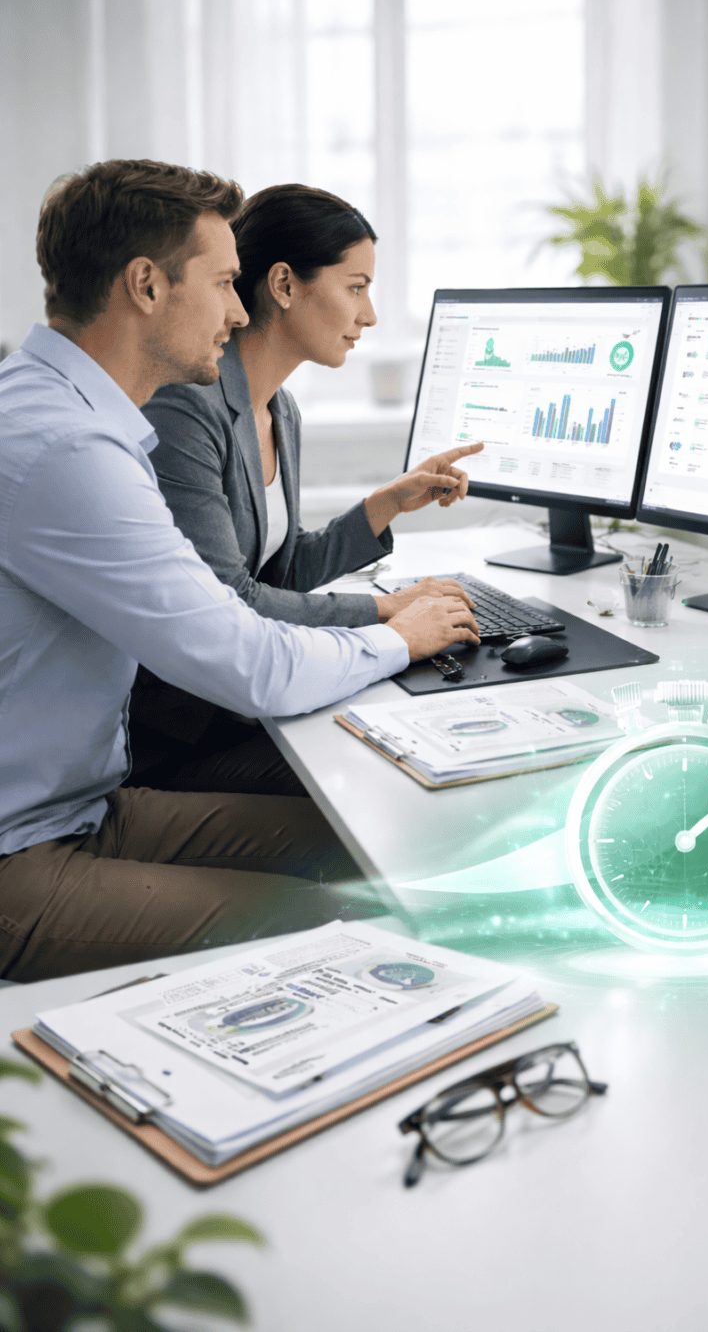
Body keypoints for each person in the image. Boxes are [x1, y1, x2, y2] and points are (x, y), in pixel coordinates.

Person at [0, 158, 479, 982]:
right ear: (147, 285)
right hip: (21, 851)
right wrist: (397, 638)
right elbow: (251, 659)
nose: (236, 307)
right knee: (363, 927)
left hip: (84, 807)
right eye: (224, 283)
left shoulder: (67, 412)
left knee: (382, 844)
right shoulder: (67, 448)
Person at [132, 183, 481, 795]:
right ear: (286, 285)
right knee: (389, 777)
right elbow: (232, 600)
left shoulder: (279, 409)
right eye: (356, 287)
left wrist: (385, 504)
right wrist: (388, 612)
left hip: (247, 708)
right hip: (183, 739)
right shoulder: (187, 408)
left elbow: (278, 574)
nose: (369, 315)